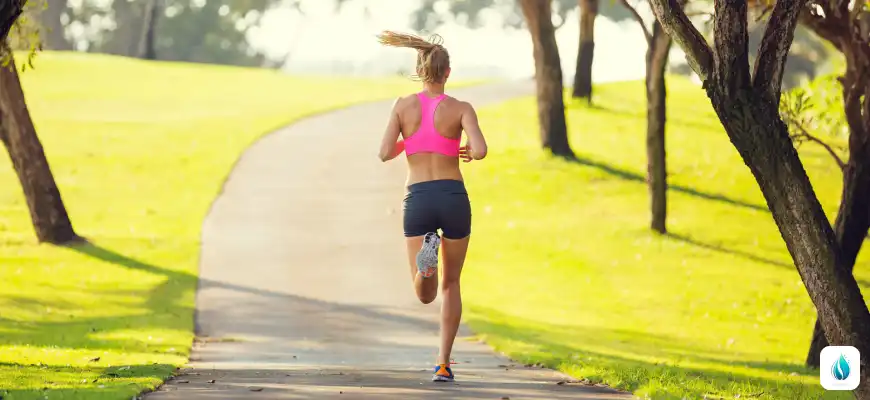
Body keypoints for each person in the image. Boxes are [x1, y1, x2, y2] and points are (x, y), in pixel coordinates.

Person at [375, 30, 487, 383]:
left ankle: (426, 264)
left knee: (424, 293)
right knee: (451, 283)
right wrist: (465, 148)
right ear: (448, 73)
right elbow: (480, 150)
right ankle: (443, 363)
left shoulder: (402, 105)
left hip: (419, 198)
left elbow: (382, 152)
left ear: (420, 70)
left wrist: (410, 142)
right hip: (453, 198)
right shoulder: (461, 108)